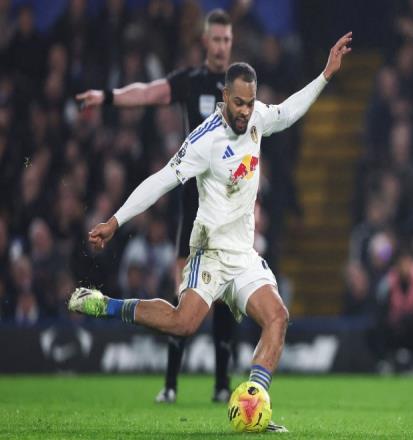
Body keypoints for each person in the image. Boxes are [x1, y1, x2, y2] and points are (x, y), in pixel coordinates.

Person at [69, 32, 353, 433]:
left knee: (277, 317)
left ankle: (254, 404)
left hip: (243, 255)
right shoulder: (205, 140)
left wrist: (325, 74)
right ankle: (106, 305)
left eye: (250, 103)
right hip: (210, 251)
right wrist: (115, 221)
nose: (245, 111)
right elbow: (161, 180)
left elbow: (288, 112)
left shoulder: (257, 119)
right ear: (224, 96)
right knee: (184, 324)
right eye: (238, 103)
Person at [76, 9, 237, 404]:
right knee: (185, 294)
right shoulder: (191, 82)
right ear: (205, 41)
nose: (221, 46)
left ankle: (221, 384)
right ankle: (170, 384)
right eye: (216, 39)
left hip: (229, 207)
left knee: (225, 296)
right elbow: (148, 93)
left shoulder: (240, 89)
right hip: (194, 204)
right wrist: (108, 97)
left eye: (227, 40)